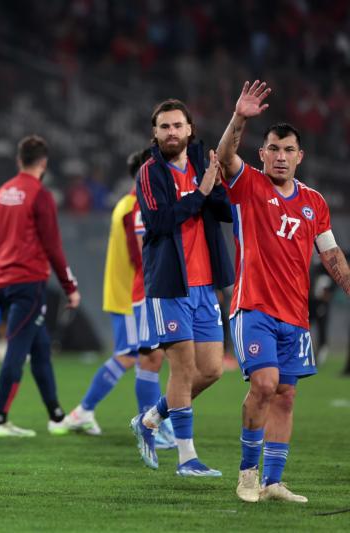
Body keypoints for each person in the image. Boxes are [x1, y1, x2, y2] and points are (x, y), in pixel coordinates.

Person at [216, 80, 350, 503]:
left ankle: (273, 481)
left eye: (288, 149)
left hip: (295, 315)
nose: (280, 156)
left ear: (299, 156)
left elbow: (331, 256)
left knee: (286, 396)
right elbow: (222, 157)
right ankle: (247, 474)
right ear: (263, 153)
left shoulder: (314, 202)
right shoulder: (249, 185)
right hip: (253, 307)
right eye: (273, 148)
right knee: (265, 384)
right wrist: (239, 116)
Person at [133, 99, 234, 477]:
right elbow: (159, 222)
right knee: (182, 369)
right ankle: (187, 459)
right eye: (164, 127)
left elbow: (223, 210)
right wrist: (201, 192)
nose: (171, 132)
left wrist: (215, 184)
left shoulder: (203, 166)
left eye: (178, 126)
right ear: (155, 133)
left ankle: (150, 418)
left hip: (205, 285)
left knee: (210, 371)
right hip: (170, 285)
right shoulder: (149, 172)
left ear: (189, 129)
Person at [61, 150, 174, 450]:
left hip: (128, 292)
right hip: (130, 295)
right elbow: (142, 257)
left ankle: (89, 412)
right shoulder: (132, 207)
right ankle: (87, 412)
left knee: (143, 357)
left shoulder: (128, 204)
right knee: (133, 356)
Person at [0, 135, 79, 437]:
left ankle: (57, 416)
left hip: (4, 280)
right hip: (29, 282)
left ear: (18, 160)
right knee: (17, 350)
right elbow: (53, 246)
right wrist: (69, 286)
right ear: (44, 163)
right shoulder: (40, 194)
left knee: (41, 350)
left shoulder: (1, 193)